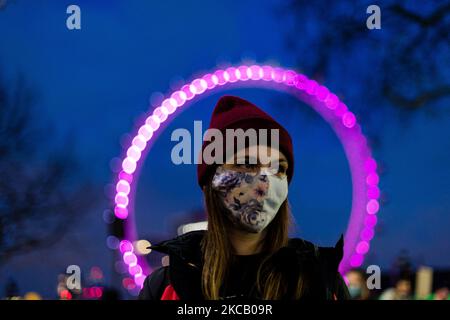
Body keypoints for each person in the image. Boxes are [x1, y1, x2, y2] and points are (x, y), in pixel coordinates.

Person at [138, 95, 349, 300]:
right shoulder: (166, 287)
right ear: (211, 180)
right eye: (247, 164)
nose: (264, 183)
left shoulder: (321, 284)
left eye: (278, 169)